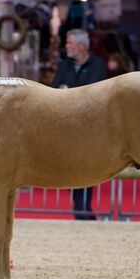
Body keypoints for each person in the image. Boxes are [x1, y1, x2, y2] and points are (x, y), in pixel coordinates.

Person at [51, 28, 106, 220]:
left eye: (70, 43)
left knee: (86, 169)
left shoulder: (98, 65)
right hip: (65, 128)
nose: (66, 46)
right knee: (69, 169)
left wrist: (67, 91)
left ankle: (84, 210)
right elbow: (53, 90)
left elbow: (94, 93)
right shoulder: (64, 65)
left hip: (88, 128)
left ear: (81, 47)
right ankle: (80, 209)